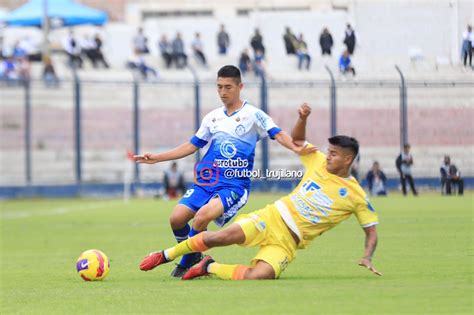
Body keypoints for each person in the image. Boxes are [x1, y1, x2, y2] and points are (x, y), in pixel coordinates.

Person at [139, 103, 382, 280]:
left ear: (348, 159)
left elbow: (371, 232)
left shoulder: (357, 195)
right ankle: (165, 255)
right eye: (328, 151)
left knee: (259, 276)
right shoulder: (317, 161)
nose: (328, 156)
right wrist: (302, 118)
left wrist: (368, 257)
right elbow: (298, 140)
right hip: (273, 217)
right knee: (219, 237)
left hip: (290, 242)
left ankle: (207, 267)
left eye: (334, 154)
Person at [133, 66, 314, 278]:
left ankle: (184, 265)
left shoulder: (254, 115)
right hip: (206, 182)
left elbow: (279, 134)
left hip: (233, 186)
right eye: (219, 87)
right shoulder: (212, 117)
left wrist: (296, 147)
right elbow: (192, 146)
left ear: (240, 87)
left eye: (228, 87)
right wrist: (157, 158)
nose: (223, 92)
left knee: (201, 218)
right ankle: (196, 256)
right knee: (176, 218)